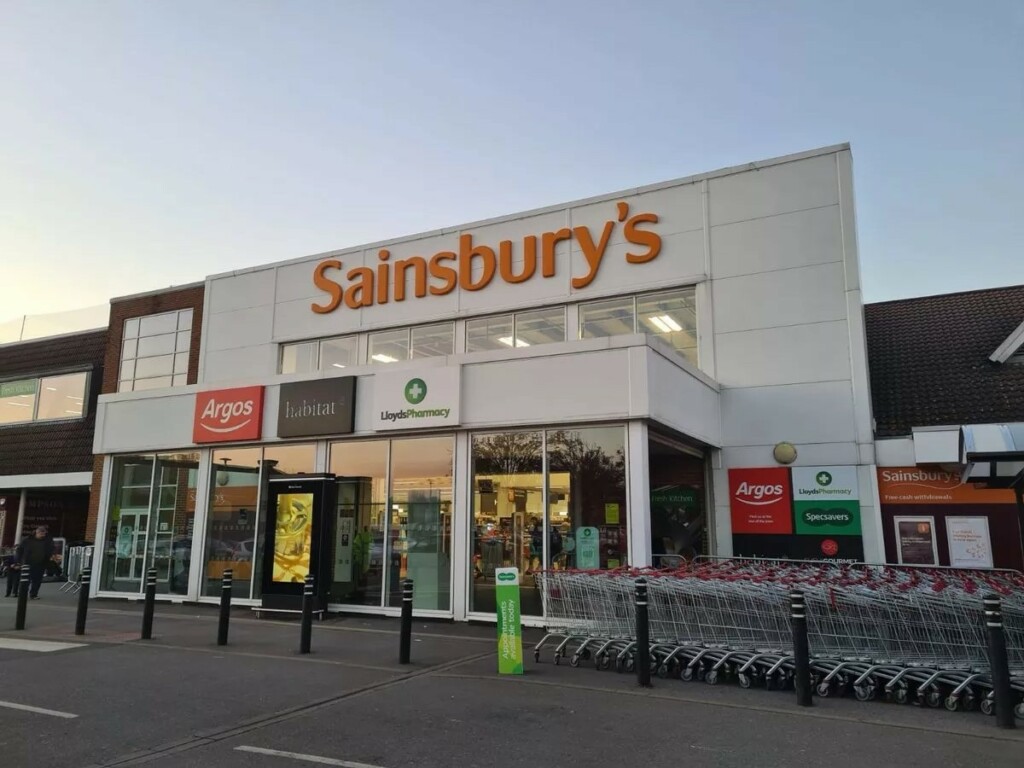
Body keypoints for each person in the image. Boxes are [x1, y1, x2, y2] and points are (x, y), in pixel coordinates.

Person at [19, 527, 54, 600]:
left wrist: (50, 556)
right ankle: (23, 594)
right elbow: (20, 550)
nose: (43, 535)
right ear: (36, 533)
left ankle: (34, 594)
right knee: (26, 579)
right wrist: (19, 561)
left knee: (37, 580)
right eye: (41, 533)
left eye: (44, 533)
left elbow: (51, 549)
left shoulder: (47, 541)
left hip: (41, 563)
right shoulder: (27, 540)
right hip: (28, 563)